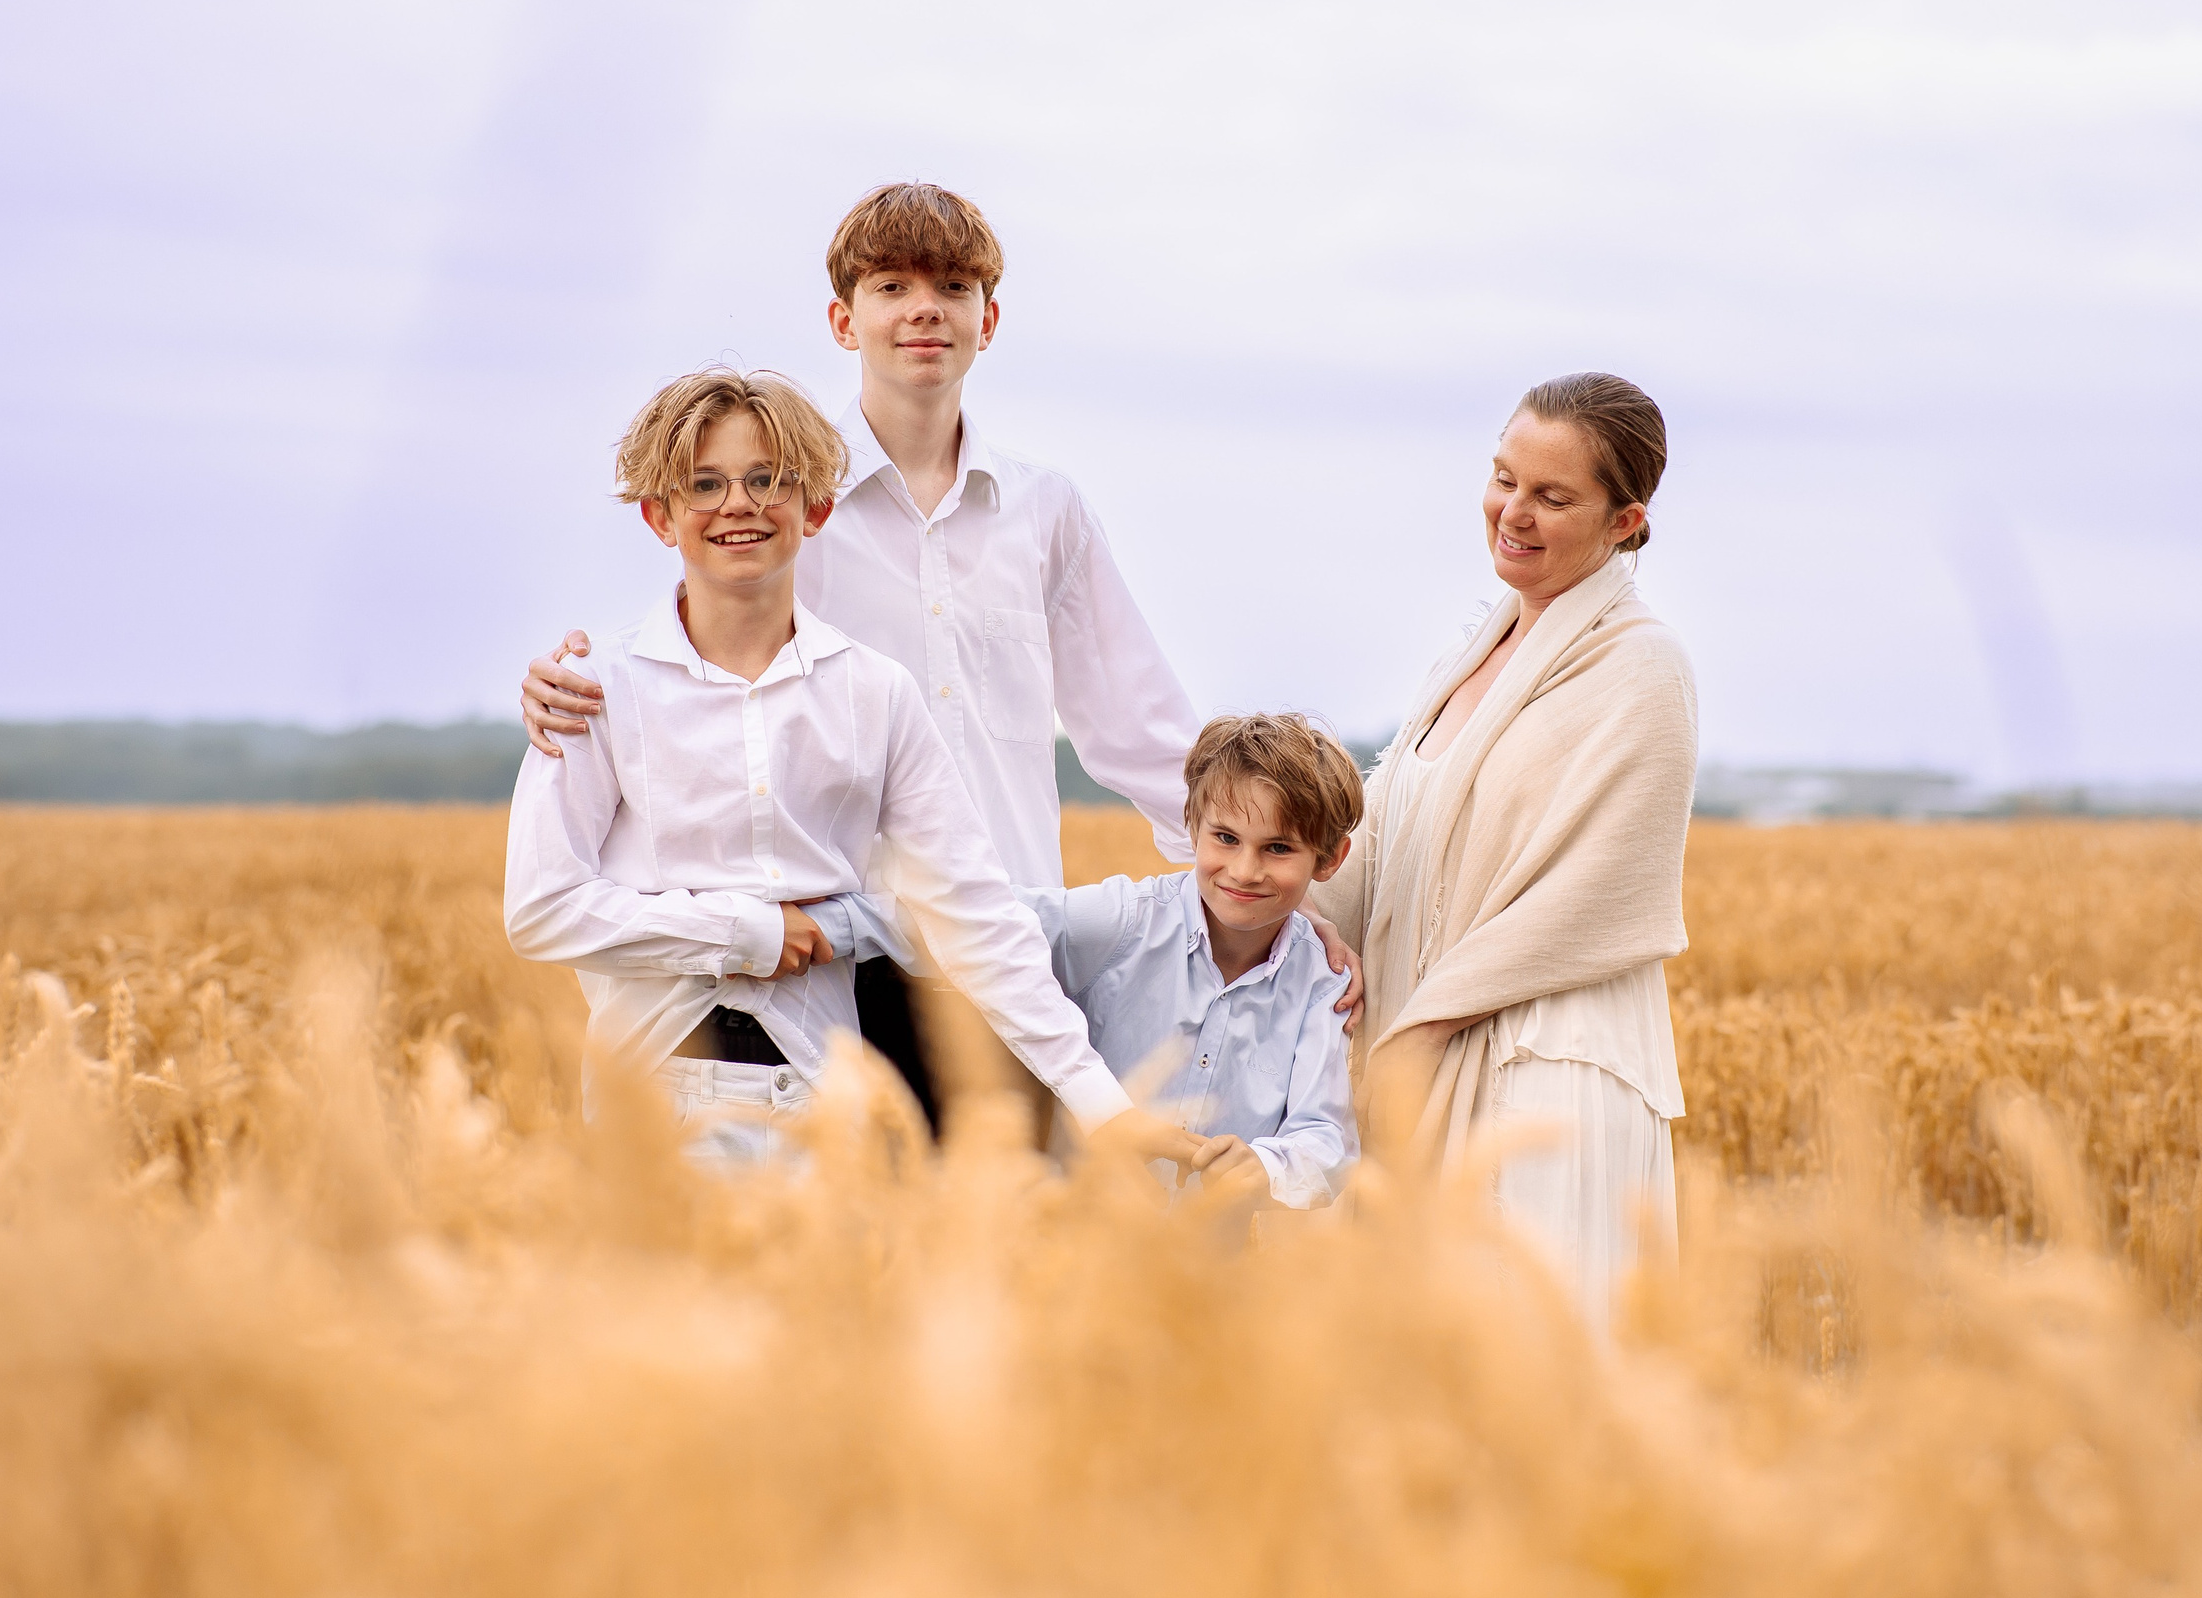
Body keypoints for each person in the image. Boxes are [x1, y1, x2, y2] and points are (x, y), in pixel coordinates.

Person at [515, 184, 1361, 1134]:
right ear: (845, 319)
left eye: (953, 286)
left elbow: (1141, 730)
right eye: (891, 285)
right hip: (835, 963)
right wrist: (566, 684)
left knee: (1000, 1248)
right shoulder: (790, 498)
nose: (924, 307)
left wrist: (1273, 904)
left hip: (1011, 947)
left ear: (987, 319)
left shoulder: (1045, 511)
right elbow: (703, 644)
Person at [501, 365, 1201, 1171]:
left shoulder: (875, 694)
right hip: (654, 1094)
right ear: (662, 515)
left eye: (768, 479)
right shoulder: (598, 686)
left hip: (825, 1103)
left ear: (816, 509)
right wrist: (747, 932)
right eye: (706, 484)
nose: (739, 504)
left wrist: (1103, 1106)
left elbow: (974, 908)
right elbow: (542, 907)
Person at [1312, 373, 1698, 1327]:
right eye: (1502, 477)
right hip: (1433, 1049)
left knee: (1534, 1381)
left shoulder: (1642, 668)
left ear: (1626, 521)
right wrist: (1286, 909)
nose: (1511, 512)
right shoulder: (1472, 654)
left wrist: (1419, 1031)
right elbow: (1392, 838)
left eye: (1552, 496)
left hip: (1547, 1075)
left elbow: (1592, 895)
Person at [1013, 713, 1365, 1209]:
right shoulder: (1124, 922)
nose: (1244, 871)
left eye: (1278, 848)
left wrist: (1266, 1165)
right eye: (1225, 838)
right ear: (1192, 825)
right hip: (1071, 1242)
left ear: (1330, 858)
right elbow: (985, 922)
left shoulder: (1323, 984)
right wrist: (861, 923)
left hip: (1206, 1268)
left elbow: (1325, 1136)